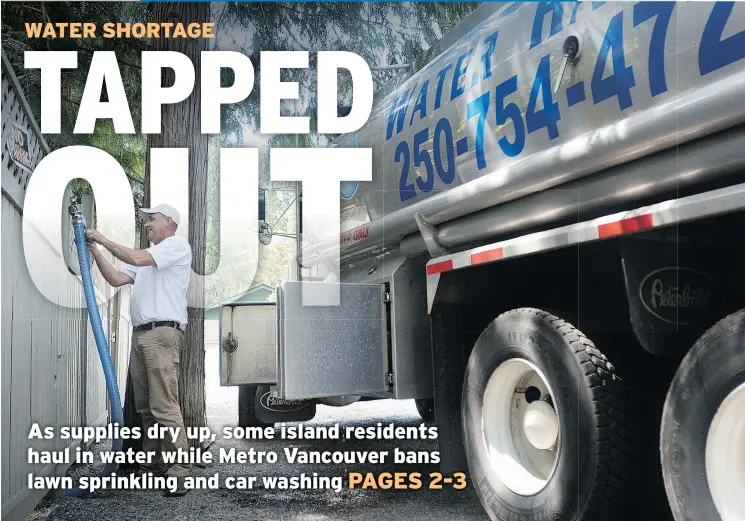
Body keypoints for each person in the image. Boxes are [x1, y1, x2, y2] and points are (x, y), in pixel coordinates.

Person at [86, 203, 192, 496]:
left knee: (164, 406)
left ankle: (180, 471)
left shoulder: (175, 246)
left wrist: (103, 238)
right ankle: (155, 467)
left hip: (162, 333)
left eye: (151, 219)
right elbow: (117, 278)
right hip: (142, 334)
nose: (146, 224)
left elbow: (133, 256)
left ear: (168, 221)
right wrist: (95, 250)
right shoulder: (148, 259)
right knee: (146, 408)